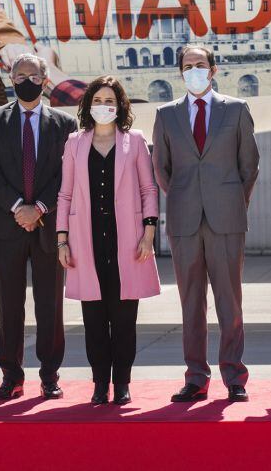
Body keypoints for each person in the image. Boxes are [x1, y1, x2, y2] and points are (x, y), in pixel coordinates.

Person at [152, 45, 259, 403]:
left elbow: (250, 165)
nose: (194, 70)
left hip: (226, 218)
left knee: (230, 301)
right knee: (191, 302)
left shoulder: (236, 109)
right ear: (180, 72)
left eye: (200, 65)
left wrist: (230, 200)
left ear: (212, 70)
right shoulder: (166, 115)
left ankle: (234, 376)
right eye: (187, 66)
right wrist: (185, 197)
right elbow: (161, 168)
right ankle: (196, 377)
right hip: (184, 220)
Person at [56, 76, 161, 406]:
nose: (104, 107)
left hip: (128, 242)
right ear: (88, 105)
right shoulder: (74, 143)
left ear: (120, 106)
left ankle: (123, 383)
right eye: (98, 100)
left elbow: (148, 189)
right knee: (94, 320)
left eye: (110, 101)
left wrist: (149, 232)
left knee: (125, 319)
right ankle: (100, 383)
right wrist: (62, 239)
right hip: (86, 243)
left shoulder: (136, 141)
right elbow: (65, 194)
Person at [0, 53, 78, 400]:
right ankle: (11, 375)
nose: (26, 81)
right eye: (19, 74)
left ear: (45, 80)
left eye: (33, 76)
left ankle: (50, 375)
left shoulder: (65, 124)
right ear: (10, 77)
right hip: (7, 225)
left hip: (48, 225)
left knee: (50, 304)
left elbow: (67, 174)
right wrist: (17, 207)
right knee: (10, 303)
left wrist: (38, 207)